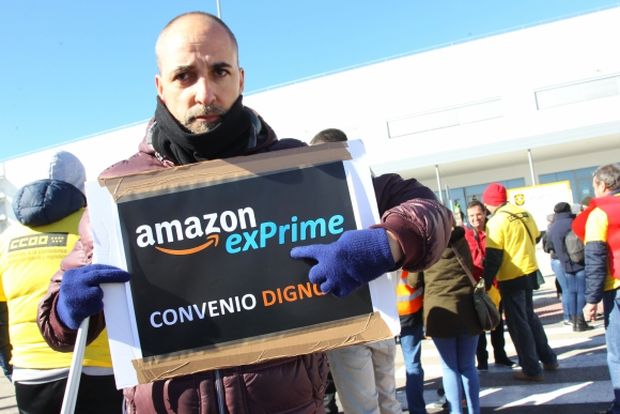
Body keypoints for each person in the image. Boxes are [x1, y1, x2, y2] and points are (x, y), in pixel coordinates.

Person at [37, 13, 453, 413]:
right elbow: (56, 329)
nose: (205, 93)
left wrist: (387, 243)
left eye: (219, 71)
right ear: (161, 86)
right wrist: (67, 309)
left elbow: (429, 211)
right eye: (185, 76)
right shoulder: (118, 194)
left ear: (240, 78)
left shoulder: (305, 172)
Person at [0, 151, 123, 413]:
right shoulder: (96, 227)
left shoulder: (5, 240)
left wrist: (10, 364)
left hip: (31, 370)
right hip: (101, 365)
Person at [308, 127, 405, 414]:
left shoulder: (324, 204)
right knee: (388, 400)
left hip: (350, 319)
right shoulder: (376, 195)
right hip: (382, 314)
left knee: (363, 407)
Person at [482, 182, 558, 382]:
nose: (485, 207)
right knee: (530, 318)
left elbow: (493, 257)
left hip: (511, 275)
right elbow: (537, 236)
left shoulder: (496, 222)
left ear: (491, 202)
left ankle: (531, 369)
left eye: (486, 203)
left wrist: (486, 282)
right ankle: (548, 359)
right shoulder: (523, 213)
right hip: (530, 271)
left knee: (518, 324)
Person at [412, 226, 481, 414]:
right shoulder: (460, 239)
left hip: (440, 313)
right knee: (468, 366)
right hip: (468, 309)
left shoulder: (425, 248)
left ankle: (456, 411)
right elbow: (471, 267)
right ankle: (474, 410)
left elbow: (413, 281)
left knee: (450, 368)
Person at [572, 163, 620, 414]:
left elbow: (595, 258)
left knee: (617, 354)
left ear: (602, 185)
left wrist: (591, 300)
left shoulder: (599, 213)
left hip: (616, 287)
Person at [464, 200, 514, 369]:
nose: (475, 218)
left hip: (494, 283)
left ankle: (500, 355)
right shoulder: (465, 235)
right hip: (475, 284)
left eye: (478, 214)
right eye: (471, 215)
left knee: (496, 321)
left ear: (485, 213)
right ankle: (482, 360)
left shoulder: (494, 230)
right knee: (478, 323)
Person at [546, 201, 592, 331]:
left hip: (564, 264)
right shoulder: (574, 222)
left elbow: (550, 245)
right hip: (579, 261)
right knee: (582, 291)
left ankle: (573, 320)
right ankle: (581, 321)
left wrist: (564, 259)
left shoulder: (553, 227)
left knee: (571, 292)